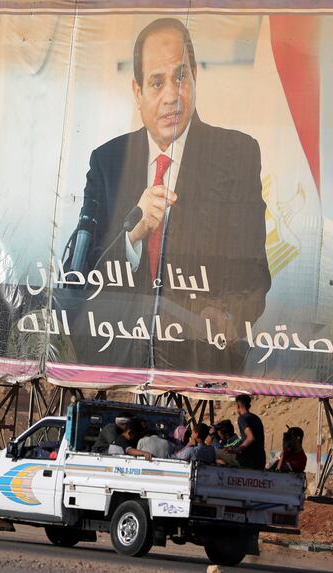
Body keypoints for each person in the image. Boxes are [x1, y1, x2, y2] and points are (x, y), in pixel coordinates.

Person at [73, 17, 271, 373]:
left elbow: (254, 273)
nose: (171, 96)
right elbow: (83, 277)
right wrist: (133, 234)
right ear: (137, 92)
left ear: (195, 75)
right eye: (156, 82)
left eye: (180, 77)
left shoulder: (236, 154)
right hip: (119, 363)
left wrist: (226, 317)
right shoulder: (107, 162)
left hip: (202, 364)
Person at [225, 394, 266, 470]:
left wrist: (238, 449)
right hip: (261, 459)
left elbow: (250, 437)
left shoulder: (242, 418)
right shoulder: (256, 418)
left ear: (238, 406)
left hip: (248, 459)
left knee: (217, 454)